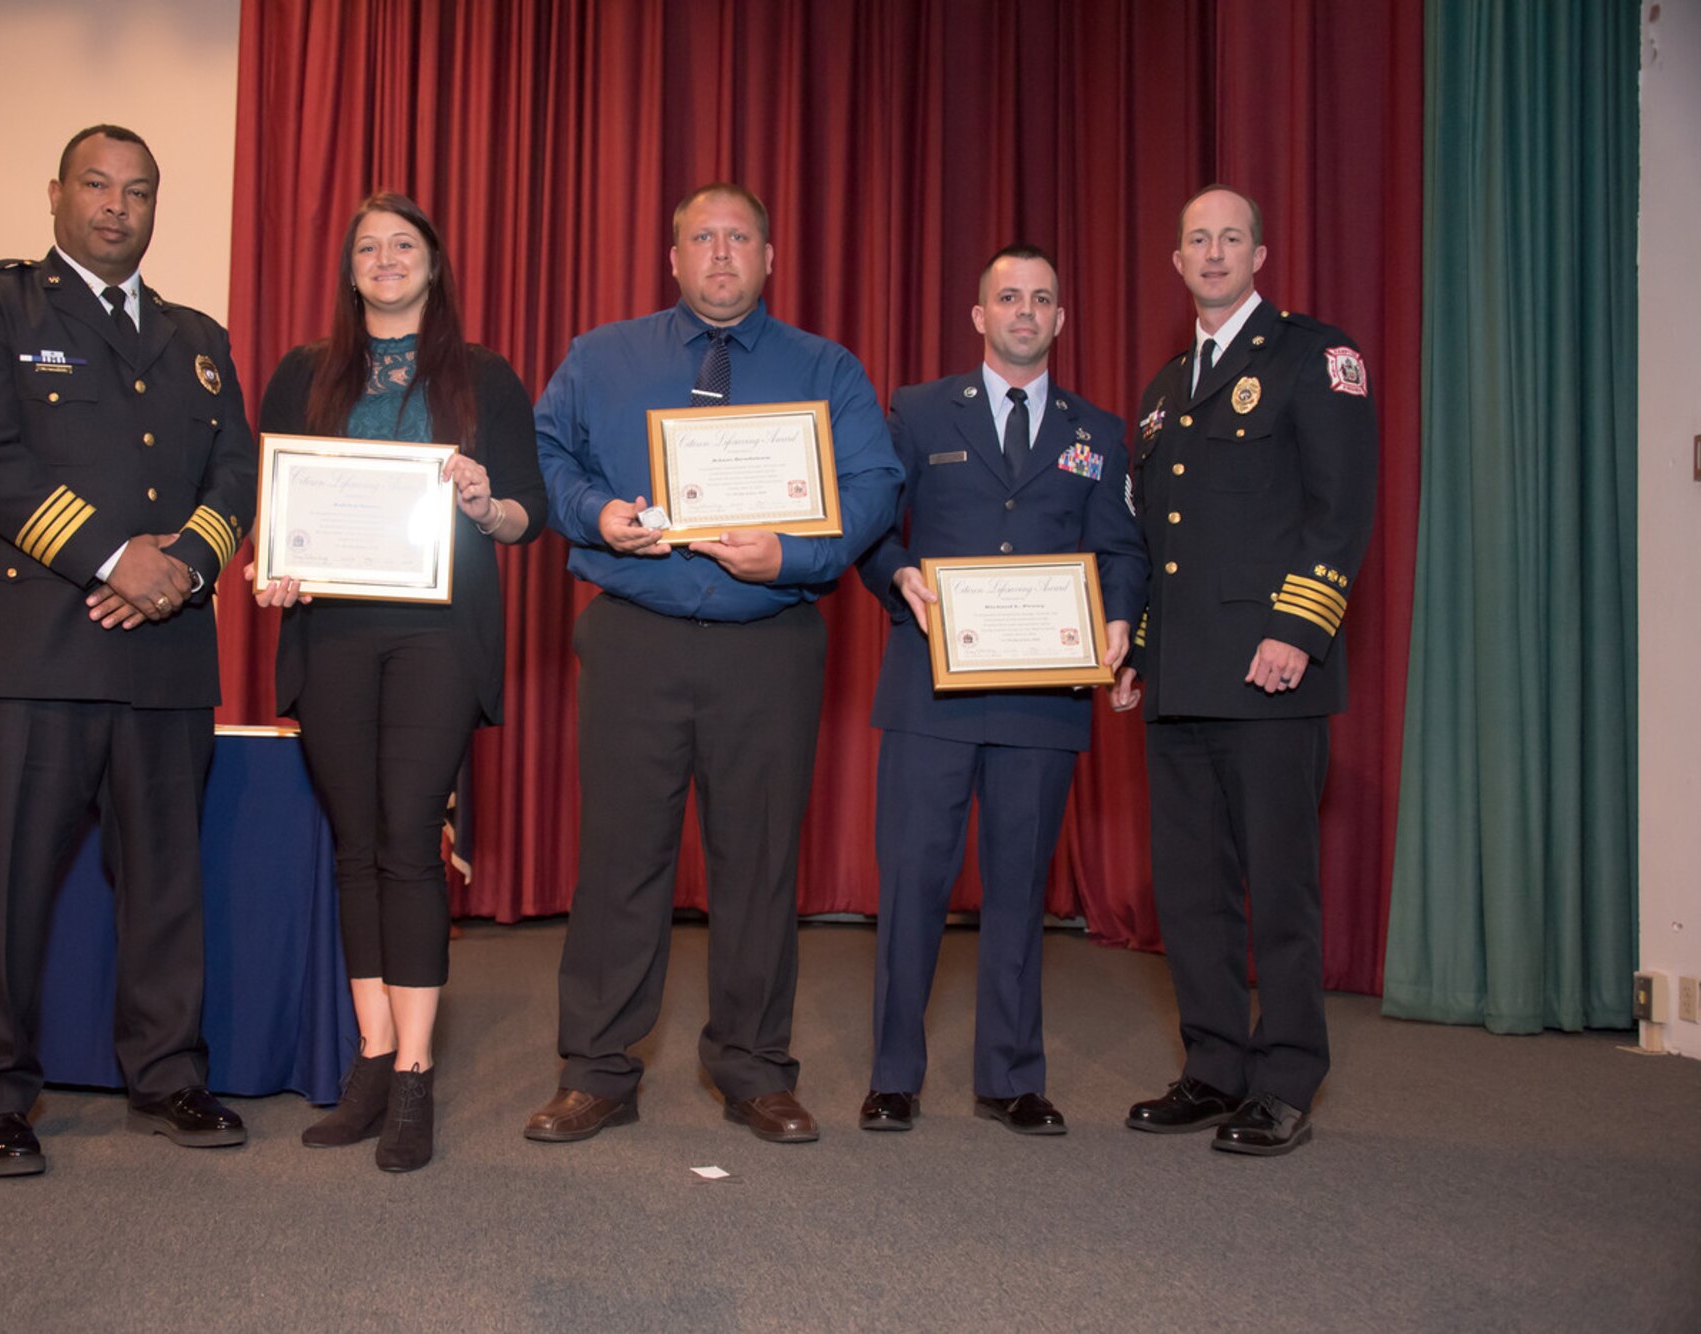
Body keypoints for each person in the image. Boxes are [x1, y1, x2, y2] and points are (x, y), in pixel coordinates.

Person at [526, 183, 902, 1144]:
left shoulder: (827, 368)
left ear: (770, 259)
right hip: (634, 637)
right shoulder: (602, 356)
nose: (722, 255)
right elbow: (544, 454)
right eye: (703, 237)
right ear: (674, 256)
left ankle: (753, 1065)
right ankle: (599, 1071)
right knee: (619, 861)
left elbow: (873, 487)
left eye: (741, 238)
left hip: (768, 643)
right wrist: (592, 514)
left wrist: (798, 555)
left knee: (760, 863)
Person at [0, 124, 257, 1176]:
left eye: (140, 191)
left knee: (165, 885)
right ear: (56, 193)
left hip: (162, 659)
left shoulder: (198, 334)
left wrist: (184, 567)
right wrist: (115, 557)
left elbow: (234, 476)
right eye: (98, 185)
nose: (118, 205)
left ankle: (166, 1075)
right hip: (28, 655)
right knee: (5, 884)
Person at [250, 192, 547, 1173]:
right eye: (368, 246)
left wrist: (482, 497)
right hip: (329, 631)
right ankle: (370, 1059)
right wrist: (273, 564)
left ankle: (414, 1074)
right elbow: (273, 503)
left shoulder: (484, 375)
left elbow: (526, 515)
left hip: (436, 636)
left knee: (411, 843)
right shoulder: (302, 373)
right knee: (356, 845)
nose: (385, 258)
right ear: (349, 268)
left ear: (433, 262)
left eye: (402, 245)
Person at [855, 246, 1146, 1135]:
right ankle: (894, 1075)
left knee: (1020, 889)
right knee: (912, 885)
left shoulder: (1096, 430)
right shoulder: (913, 409)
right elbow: (870, 529)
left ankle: (1011, 1076)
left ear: (1061, 320)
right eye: (1008, 297)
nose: (1025, 311)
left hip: (1043, 699)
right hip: (930, 687)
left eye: (1043, 300)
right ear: (978, 315)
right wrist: (899, 577)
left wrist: (1124, 619)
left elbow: (1123, 552)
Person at [1113, 185, 1377, 1156]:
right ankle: (1214, 1063)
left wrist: (1297, 631)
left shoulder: (1316, 357)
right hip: (1180, 679)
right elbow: (1154, 539)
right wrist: (1138, 649)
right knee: (1189, 890)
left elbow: (1339, 509)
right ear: (1175, 260)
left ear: (1258, 255)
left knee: (1279, 885)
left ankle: (1284, 1075)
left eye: (1230, 237)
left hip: (1271, 674)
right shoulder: (1159, 388)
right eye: (1195, 239)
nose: (1212, 252)